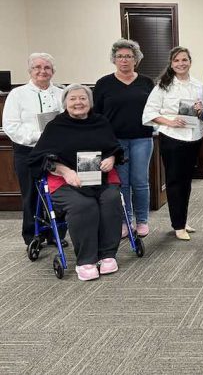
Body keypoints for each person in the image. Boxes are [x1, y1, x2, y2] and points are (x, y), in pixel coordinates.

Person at [28, 84, 124, 281]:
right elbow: (40, 157)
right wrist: (64, 171)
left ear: (90, 102)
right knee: (84, 205)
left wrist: (111, 159)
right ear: (65, 104)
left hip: (99, 178)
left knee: (111, 199)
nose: (78, 102)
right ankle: (86, 260)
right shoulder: (56, 126)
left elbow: (114, 147)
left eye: (83, 98)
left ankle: (107, 255)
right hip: (65, 180)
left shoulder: (101, 122)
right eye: (73, 99)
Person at [142, 47, 203, 241]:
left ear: (190, 61)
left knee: (186, 181)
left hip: (194, 137)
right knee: (174, 181)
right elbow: (150, 112)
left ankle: (182, 219)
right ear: (171, 64)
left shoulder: (198, 85)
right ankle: (177, 225)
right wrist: (170, 122)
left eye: (184, 60)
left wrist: (201, 110)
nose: (181, 63)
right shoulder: (163, 85)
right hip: (172, 137)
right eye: (177, 60)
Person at [93, 39, 154, 239]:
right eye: (120, 56)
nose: (124, 60)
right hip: (115, 142)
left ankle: (142, 221)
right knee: (122, 183)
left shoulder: (146, 82)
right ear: (114, 59)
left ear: (136, 59)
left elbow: (155, 109)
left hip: (142, 138)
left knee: (140, 181)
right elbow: (97, 116)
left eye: (128, 56)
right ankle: (125, 221)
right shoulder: (103, 84)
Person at [2, 53, 65, 246]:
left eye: (46, 68)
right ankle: (32, 236)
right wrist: (39, 138)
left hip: (57, 151)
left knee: (59, 192)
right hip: (27, 151)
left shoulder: (62, 93)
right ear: (30, 71)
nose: (42, 71)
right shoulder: (17, 94)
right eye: (37, 67)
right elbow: (12, 126)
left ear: (53, 71)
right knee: (31, 194)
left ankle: (57, 234)